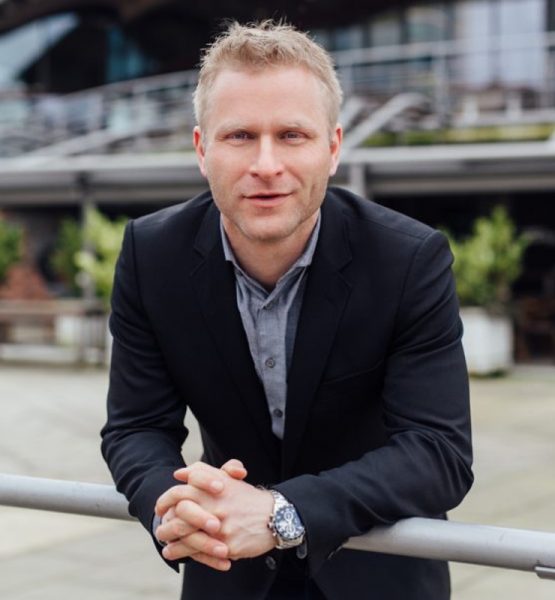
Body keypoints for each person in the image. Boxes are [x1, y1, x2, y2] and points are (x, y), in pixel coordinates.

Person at [101, 20, 473, 600]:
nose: (266, 164)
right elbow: (136, 426)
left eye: (292, 135)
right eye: (240, 135)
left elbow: (438, 452)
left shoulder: (408, 260)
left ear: (333, 147)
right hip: (224, 570)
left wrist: (282, 512)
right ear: (202, 149)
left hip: (377, 572)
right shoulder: (152, 255)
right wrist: (170, 506)